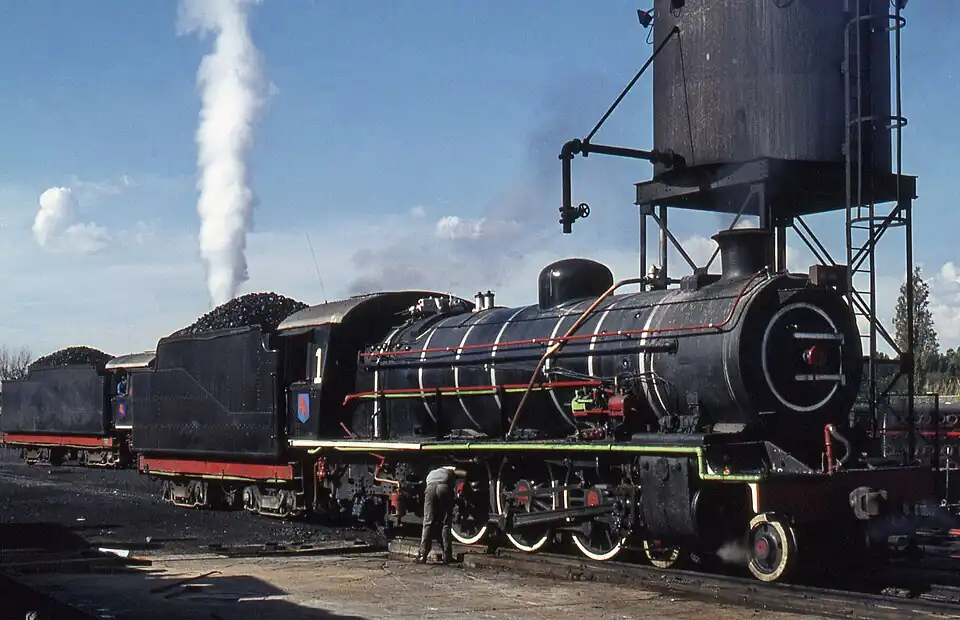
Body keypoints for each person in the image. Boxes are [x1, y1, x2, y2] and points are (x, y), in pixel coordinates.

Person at [416, 464, 466, 564]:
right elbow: (463, 473)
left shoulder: (432, 472)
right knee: (445, 523)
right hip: (443, 487)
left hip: (430, 488)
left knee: (428, 522)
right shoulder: (449, 468)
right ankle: (447, 555)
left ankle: (422, 555)